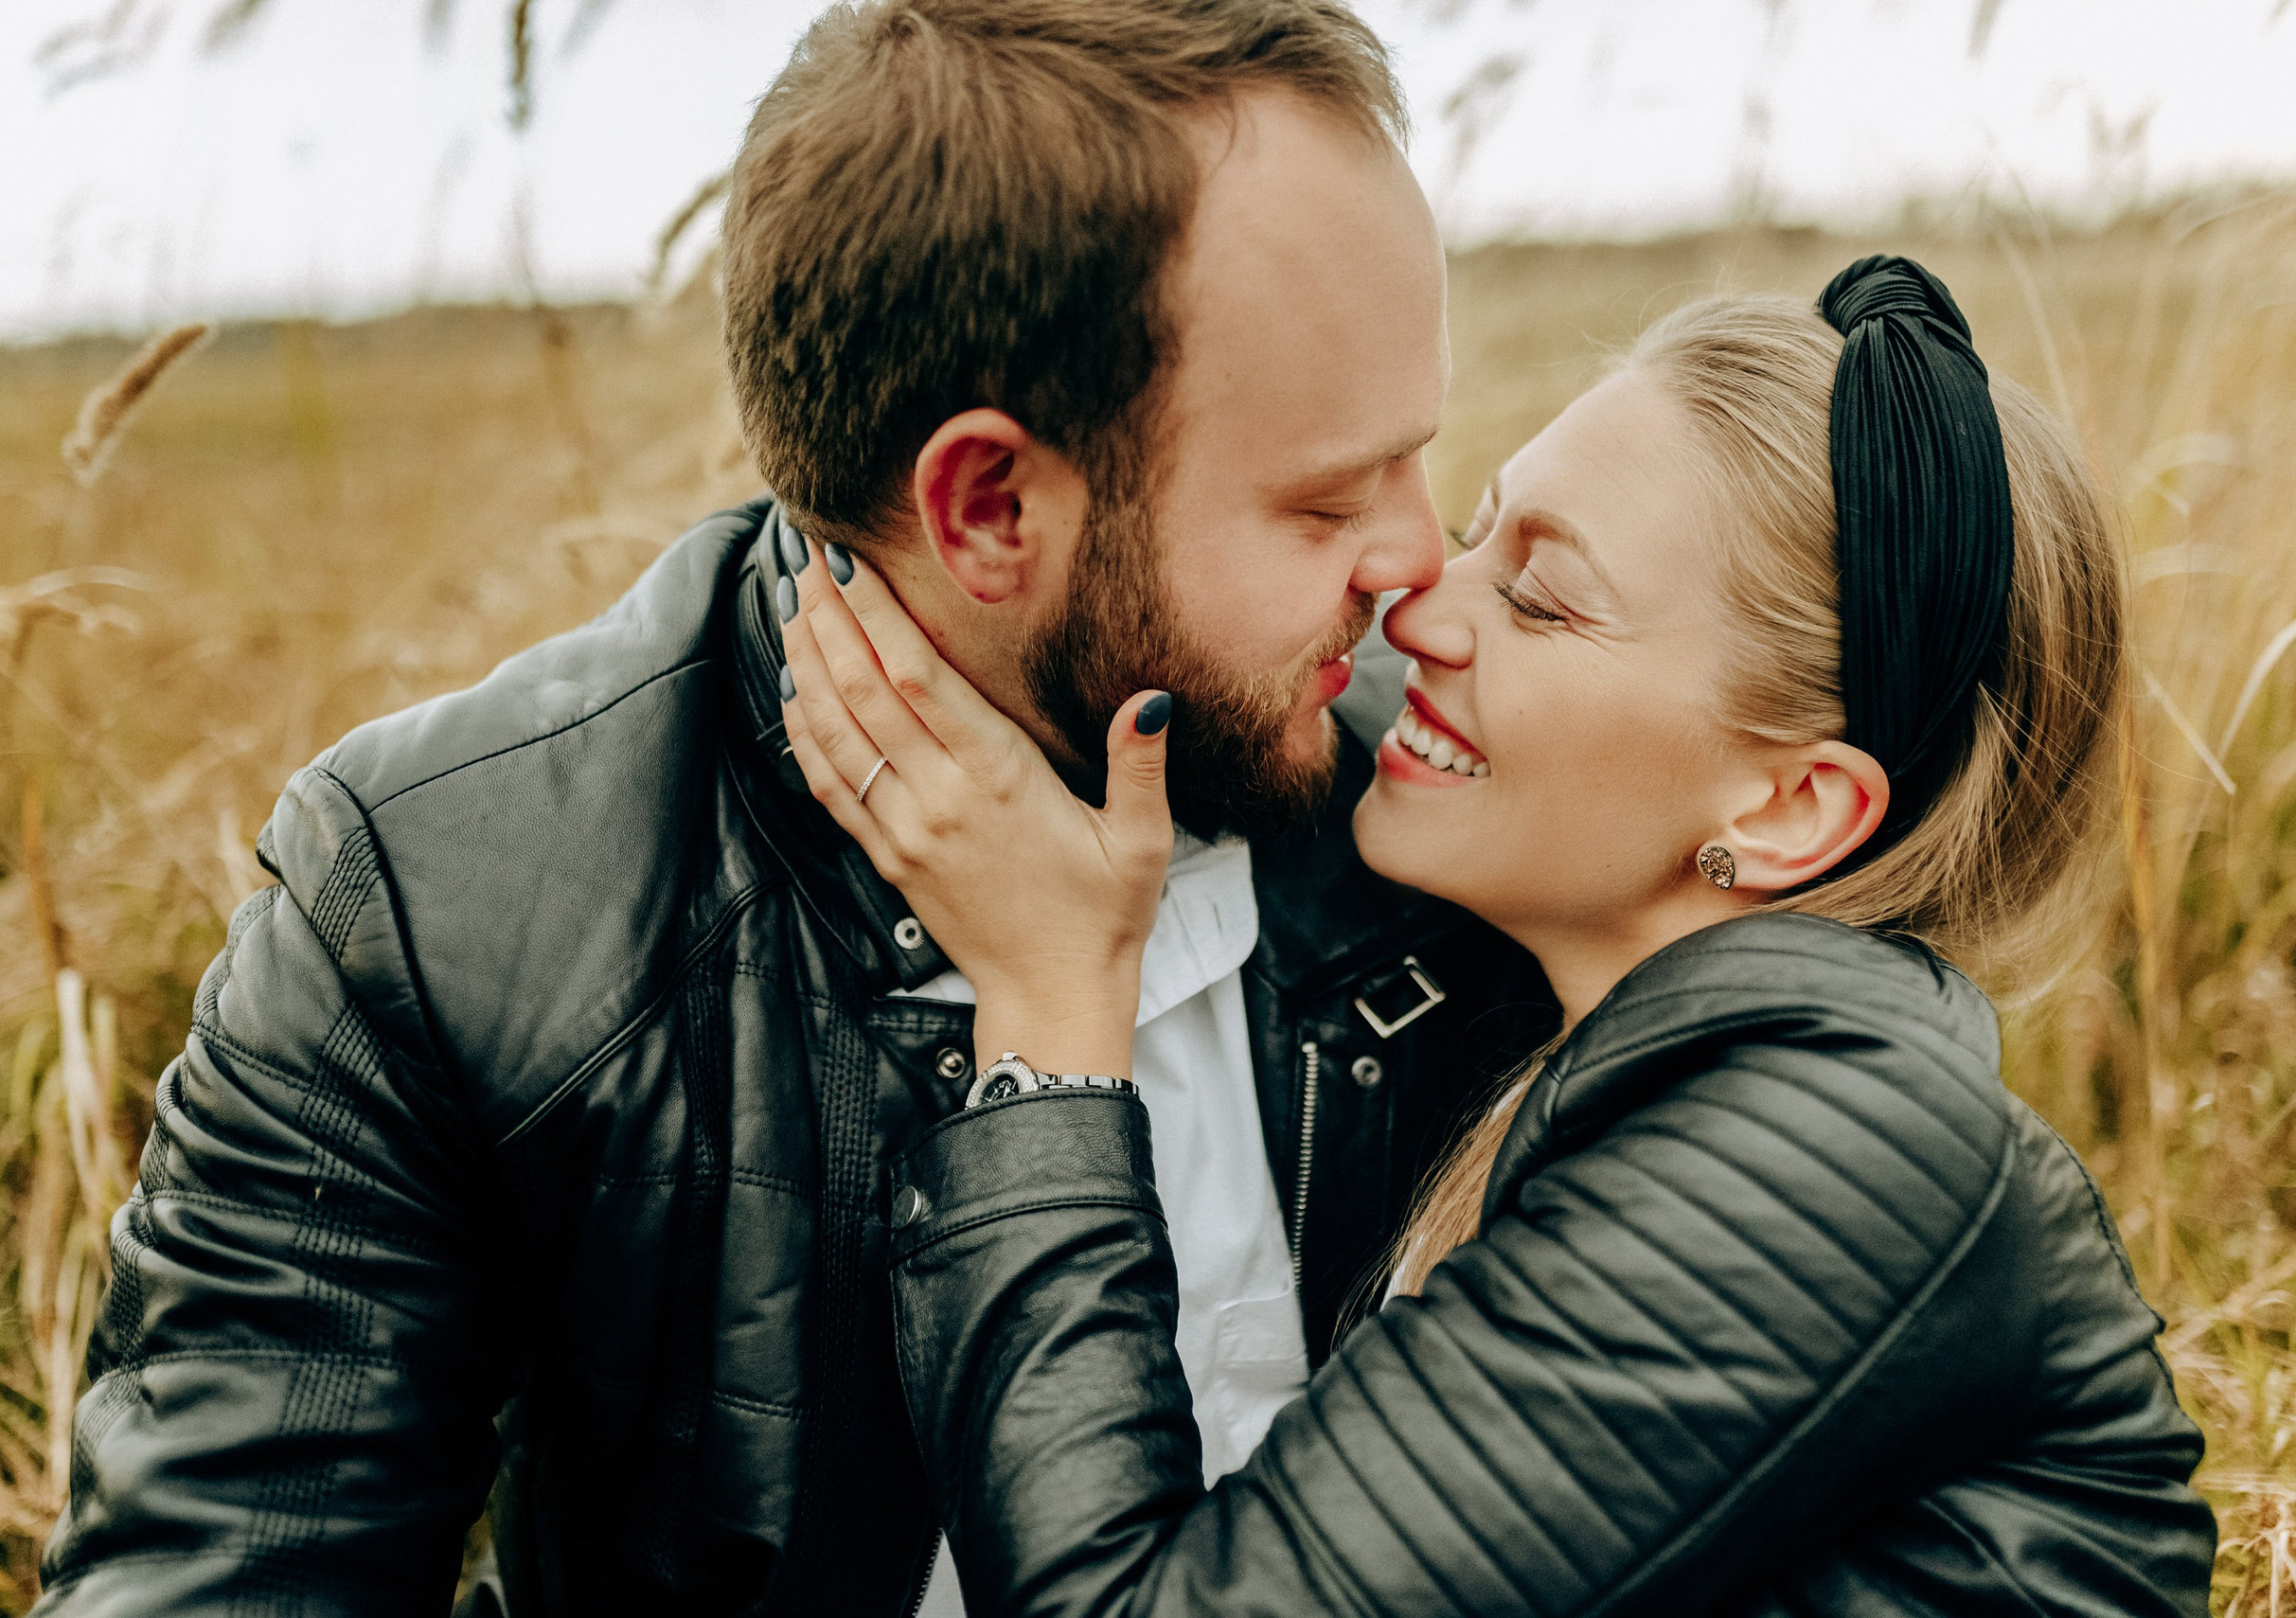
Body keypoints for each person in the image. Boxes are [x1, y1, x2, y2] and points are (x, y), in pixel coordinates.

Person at [33, 6, 1559, 1616]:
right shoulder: (448, 907)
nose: (1419, 568)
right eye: (1326, 498)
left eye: (1420, 460)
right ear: (986, 506)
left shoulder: (1480, 798)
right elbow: (222, 1575)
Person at [776, 258, 2220, 1614]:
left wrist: (1046, 1018)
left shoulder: (1826, 1155)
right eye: (1477, 529)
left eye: (1540, 593)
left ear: (1790, 809)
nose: (1419, 599)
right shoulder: (1599, 1054)